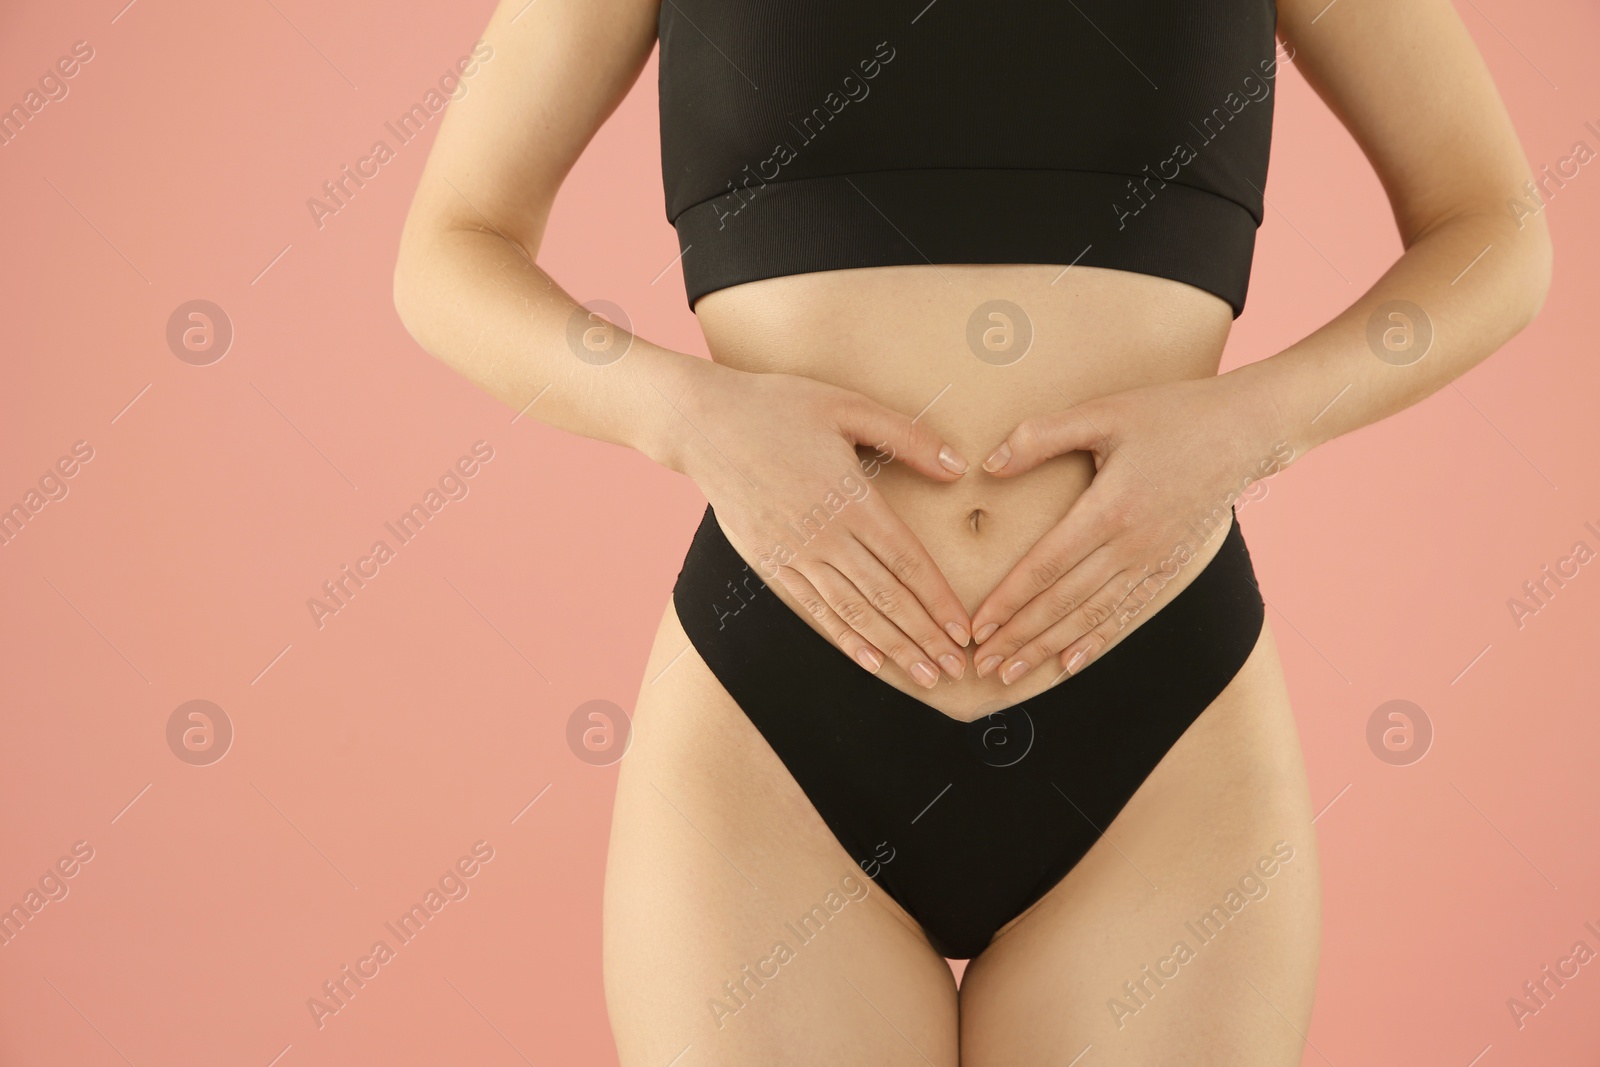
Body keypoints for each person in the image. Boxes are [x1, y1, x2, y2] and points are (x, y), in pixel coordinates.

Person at [393, 0, 1551, 1061]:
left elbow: (1493, 228)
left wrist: (1253, 427)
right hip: (778, 717)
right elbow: (449, 248)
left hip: (1157, 710)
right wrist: (685, 415)